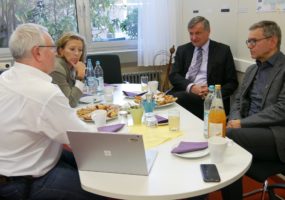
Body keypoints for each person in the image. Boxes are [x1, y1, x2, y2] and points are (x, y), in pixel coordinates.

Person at [0, 23, 105, 200]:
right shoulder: (44, 92)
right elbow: (82, 138)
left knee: (87, 164)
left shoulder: (6, 77)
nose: (56, 53)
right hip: (24, 182)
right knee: (100, 189)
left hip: (13, 165)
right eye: (53, 48)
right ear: (37, 52)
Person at [221, 20, 285, 200]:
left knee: (226, 137)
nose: (249, 46)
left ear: (272, 41)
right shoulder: (251, 69)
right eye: (248, 41)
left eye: (253, 41)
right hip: (247, 129)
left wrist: (241, 124)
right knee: (215, 129)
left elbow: (281, 110)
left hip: (276, 134)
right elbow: (238, 100)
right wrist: (234, 119)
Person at [169, 16, 238, 119]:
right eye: (191, 33)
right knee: (159, 99)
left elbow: (232, 82)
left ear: (208, 31)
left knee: (174, 100)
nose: (193, 38)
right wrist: (192, 87)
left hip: (209, 99)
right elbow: (174, 75)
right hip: (184, 91)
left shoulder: (223, 51)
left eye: (198, 33)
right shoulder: (183, 50)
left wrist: (213, 93)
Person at [50, 32, 86, 108]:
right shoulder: (56, 69)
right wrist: (80, 77)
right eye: (72, 49)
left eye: (80, 50)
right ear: (61, 51)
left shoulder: (71, 65)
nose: (77, 53)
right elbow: (70, 103)